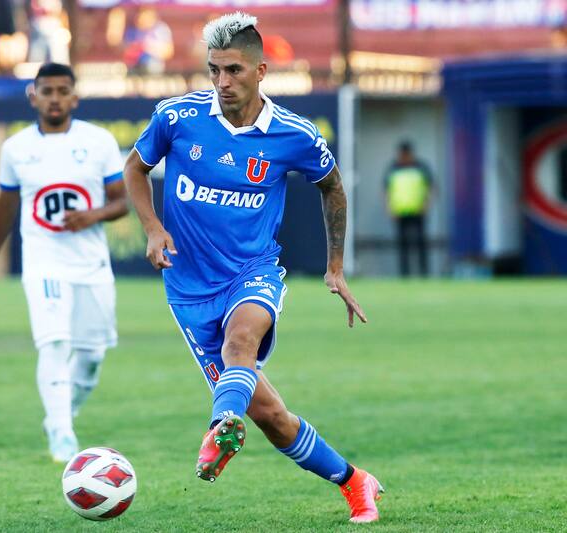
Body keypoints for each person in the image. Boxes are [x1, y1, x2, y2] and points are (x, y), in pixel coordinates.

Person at [123, 13, 383, 523]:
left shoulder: (294, 134)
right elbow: (134, 168)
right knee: (271, 417)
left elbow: (331, 186)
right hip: (189, 289)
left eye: (234, 70)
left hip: (253, 272)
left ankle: (220, 426)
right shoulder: (177, 118)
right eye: (215, 69)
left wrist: (335, 267)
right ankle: (355, 481)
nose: (222, 82)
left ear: (261, 70)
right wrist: (153, 227)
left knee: (240, 342)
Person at [0, 63, 128, 462]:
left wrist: (91, 216)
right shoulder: (16, 148)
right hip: (45, 262)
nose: (55, 98)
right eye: (48, 91)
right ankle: (62, 432)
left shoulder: (98, 142)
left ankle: (63, 413)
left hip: (91, 266)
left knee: (92, 358)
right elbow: (5, 205)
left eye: (63, 91)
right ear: (34, 96)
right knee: (55, 343)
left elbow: (121, 202)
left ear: (75, 97)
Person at [384, 140, 434, 277]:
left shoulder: (421, 167)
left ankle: (424, 273)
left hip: (418, 211)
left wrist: (427, 205)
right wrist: (389, 208)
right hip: (400, 212)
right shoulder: (393, 168)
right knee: (403, 245)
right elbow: (386, 190)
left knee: (420, 244)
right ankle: (404, 274)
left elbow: (430, 187)